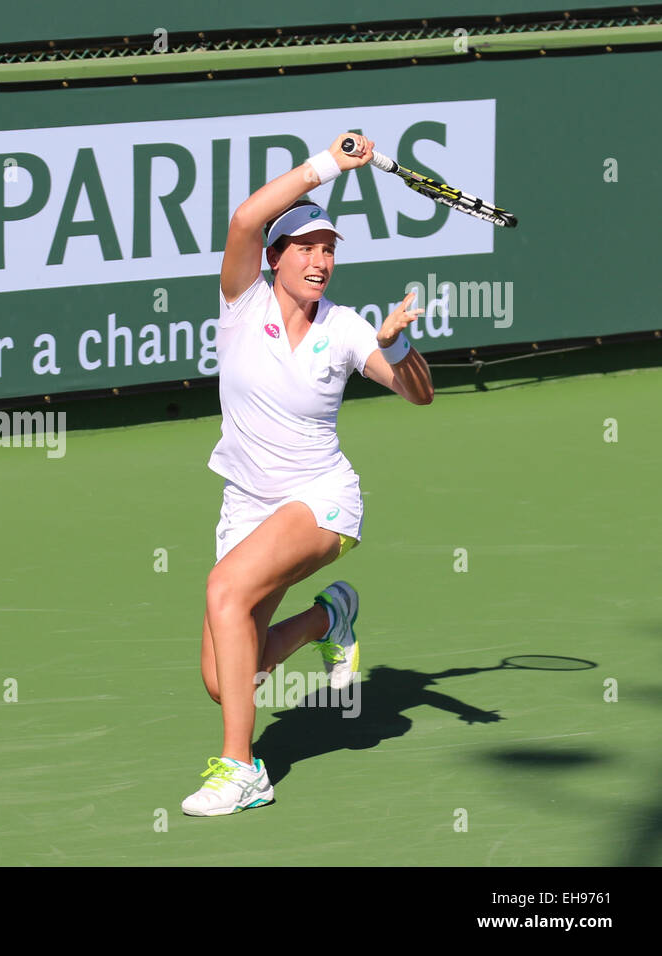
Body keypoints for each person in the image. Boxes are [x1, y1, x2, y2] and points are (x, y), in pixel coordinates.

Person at [181, 132, 435, 817]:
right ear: (275, 258)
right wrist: (328, 165)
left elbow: (419, 394)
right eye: (306, 247)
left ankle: (242, 769)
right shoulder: (242, 305)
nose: (321, 260)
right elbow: (242, 220)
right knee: (223, 675)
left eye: (329, 250)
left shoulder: (347, 328)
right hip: (247, 505)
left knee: (224, 588)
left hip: (321, 501)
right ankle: (332, 616)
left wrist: (397, 345)